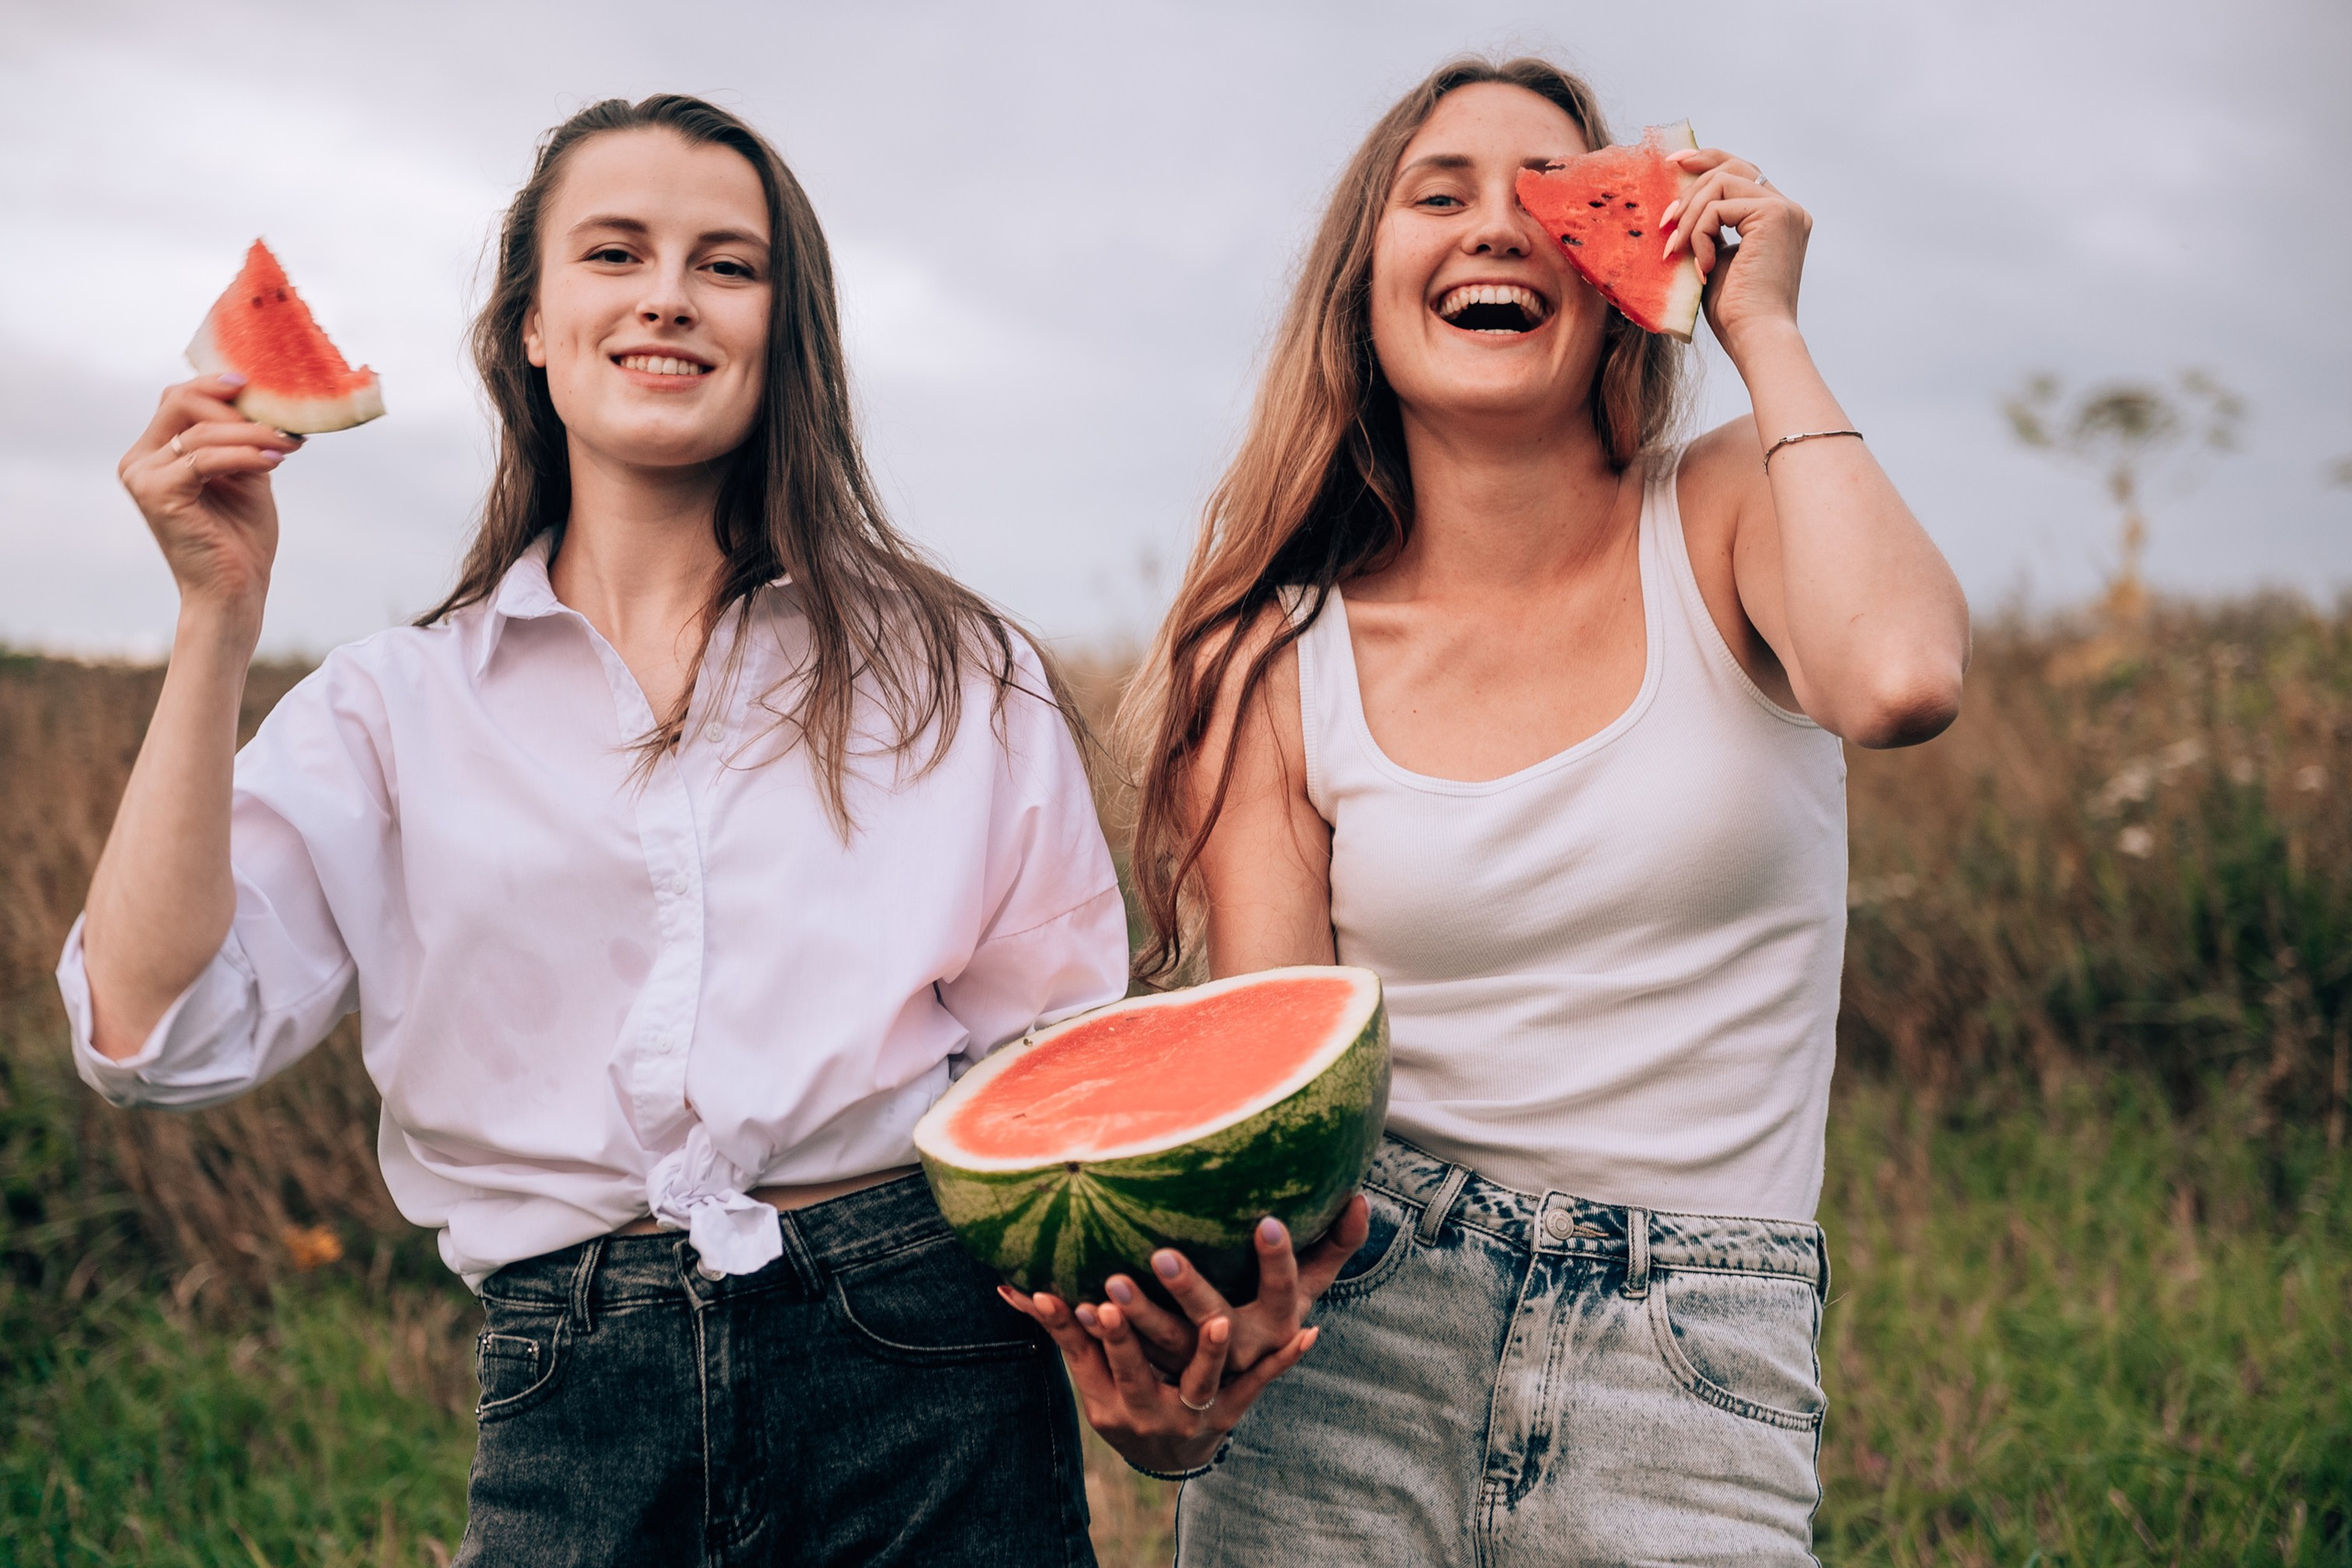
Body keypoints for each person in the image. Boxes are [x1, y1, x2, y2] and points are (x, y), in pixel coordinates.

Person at [67, 94, 1296, 1565]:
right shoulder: (391, 710)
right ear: (530, 322)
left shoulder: (955, 675)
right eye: (614, 251)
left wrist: (1159, 1364)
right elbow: (151, 1030)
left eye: (728, 263)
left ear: (788, 328)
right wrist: (216, 617)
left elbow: (1055, 1081)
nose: (668, 294)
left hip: (926, 1381)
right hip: (571, 1389)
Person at [1106, 55, 1969, 1564]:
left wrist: (1761, 324)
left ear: (1630, 270)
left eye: (1561, 203)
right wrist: (1194, 1374)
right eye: (1440, 195)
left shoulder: (1724, 515)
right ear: (1363, 286)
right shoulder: (1271, 659)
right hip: (1361, 1336)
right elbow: (1276, 1095)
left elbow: (1897, 676)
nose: (1498, 228)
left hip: (1690, 1351)